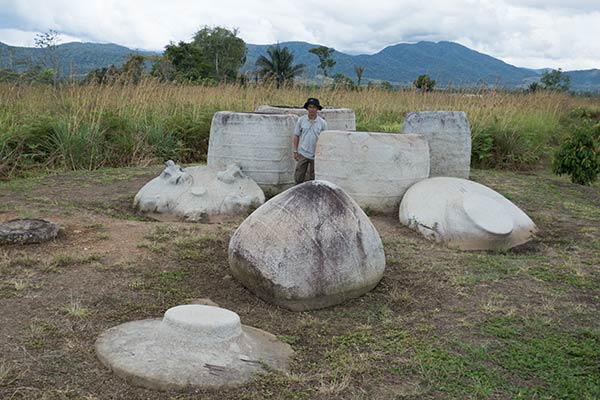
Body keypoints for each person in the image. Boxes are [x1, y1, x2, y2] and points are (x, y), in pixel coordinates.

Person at [293, 97, 328, 184]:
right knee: (299, 175)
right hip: (303, 152)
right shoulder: (301, 120)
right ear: (307, 108)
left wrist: (323, 154)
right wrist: (295, 150)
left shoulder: (322, 123)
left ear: (317, 109)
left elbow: (325, 139)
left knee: (314, 177)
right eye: (310, 107)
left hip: (316, 154)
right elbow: (296, 135)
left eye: (314, 107)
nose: (312, 109)